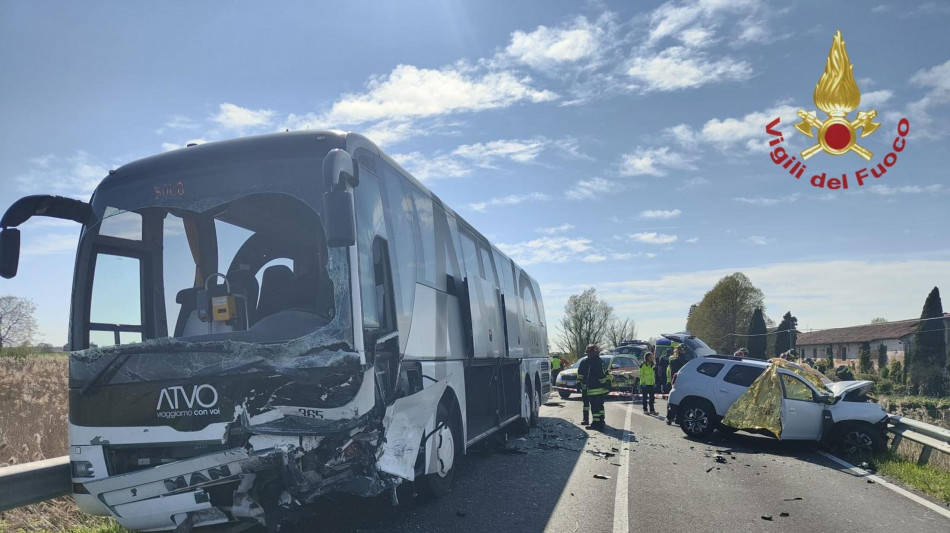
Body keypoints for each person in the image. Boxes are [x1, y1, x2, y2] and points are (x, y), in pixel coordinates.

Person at [578, 344, 609, 431]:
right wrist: (606, 384)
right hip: (599, 388)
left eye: (589, 353)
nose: (588, 355)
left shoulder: (595, 362)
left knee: (595, 407)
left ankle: (596, 423)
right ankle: (601, 421)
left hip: (594, 388)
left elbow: (599, 375)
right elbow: (605, 374)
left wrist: (604, 383)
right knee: (600, 406)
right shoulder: (600, 361)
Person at [666, 344, 689, 425]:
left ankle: (677, 418)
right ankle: (669, 417)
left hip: (683, 383)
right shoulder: (674, 361)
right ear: (679, 350)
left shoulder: (687, 361)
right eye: (681, 350)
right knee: (673, 401)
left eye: (684, 350)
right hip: (677, 383)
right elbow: (673, 374)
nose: (683, 351)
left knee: (680, 402)